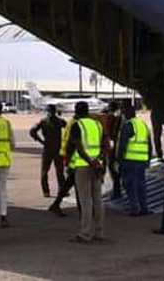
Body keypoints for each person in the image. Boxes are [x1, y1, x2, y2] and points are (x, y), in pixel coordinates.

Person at [67, 101, 107, 243]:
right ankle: (99, 232)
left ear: (77, 112)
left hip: (83, 166)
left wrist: (88, 161)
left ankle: (85, 233)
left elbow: (77, 147)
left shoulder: (77, 125)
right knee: (98, 200)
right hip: (97, 166)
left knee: (85, 201)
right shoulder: (97, 124)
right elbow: (104, 145)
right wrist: (98, 160)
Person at [117, 102, 150, 216]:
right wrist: (148, 160)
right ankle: (144, 208)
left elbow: (123, 145)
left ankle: (134, 208)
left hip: (130, 160)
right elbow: (149, 144)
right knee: (141, 185)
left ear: (126, 113)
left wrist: (119, 161)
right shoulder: (142, 124)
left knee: (129, 184)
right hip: (142, 160)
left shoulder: (128, 125)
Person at [29, 104, 66, 198]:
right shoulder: (60, 121)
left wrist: (41, 141)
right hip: (56, 148)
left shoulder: (44, 121)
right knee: (59, 171)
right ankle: (61, 190)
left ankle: (47, 191)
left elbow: (32, 131)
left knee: (46, 171)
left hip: (48, 147)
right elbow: (69, 129)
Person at [104, 102, 124, 200]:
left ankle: (117, 191)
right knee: (115, 170)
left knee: (113, 170)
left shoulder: (112, 118)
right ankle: (118, 190)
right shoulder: (120, 117)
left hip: (112, 148)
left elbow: (109, 132)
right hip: (116, 146)